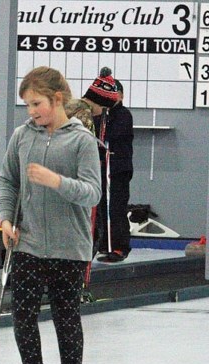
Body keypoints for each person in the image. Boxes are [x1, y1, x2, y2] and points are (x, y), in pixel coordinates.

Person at [0, 66, 101, 364]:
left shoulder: (82, 141)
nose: (31, 112)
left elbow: (91, 193)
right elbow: (7, 180)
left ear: (57, 99)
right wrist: (5, 219)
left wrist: (56, 181)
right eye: (27, 105)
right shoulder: (22, 137)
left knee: (65, 320)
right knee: (22, 316)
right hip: (27, 245)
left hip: (68, 249)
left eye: (36, 103)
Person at [83, 67, 134, 263]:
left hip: (118, 169)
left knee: (116, 208)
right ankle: (104, 243)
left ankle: (120, 246)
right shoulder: (98, 115)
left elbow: (114, 137)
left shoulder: (123, 115)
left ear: (119, 96)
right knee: (101, 206)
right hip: (101, 169)